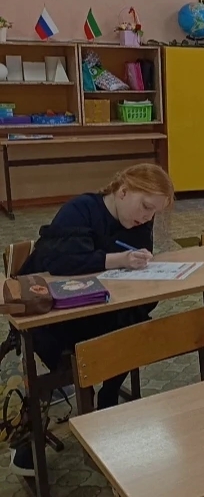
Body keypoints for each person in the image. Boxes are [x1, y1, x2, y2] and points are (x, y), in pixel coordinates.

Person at [10, 164, 175, 476]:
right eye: (145, 206)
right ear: (122, 191)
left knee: (133, 326)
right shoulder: (80, 209)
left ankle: (108, 399)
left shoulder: (138, 220)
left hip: (102, 309)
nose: (147, 217)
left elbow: (137, 260)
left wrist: (138, 263)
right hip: (53, 316)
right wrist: (118, 260)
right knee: (54, 358)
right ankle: (29, 436)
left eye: (155, 212)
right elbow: (62, 263)